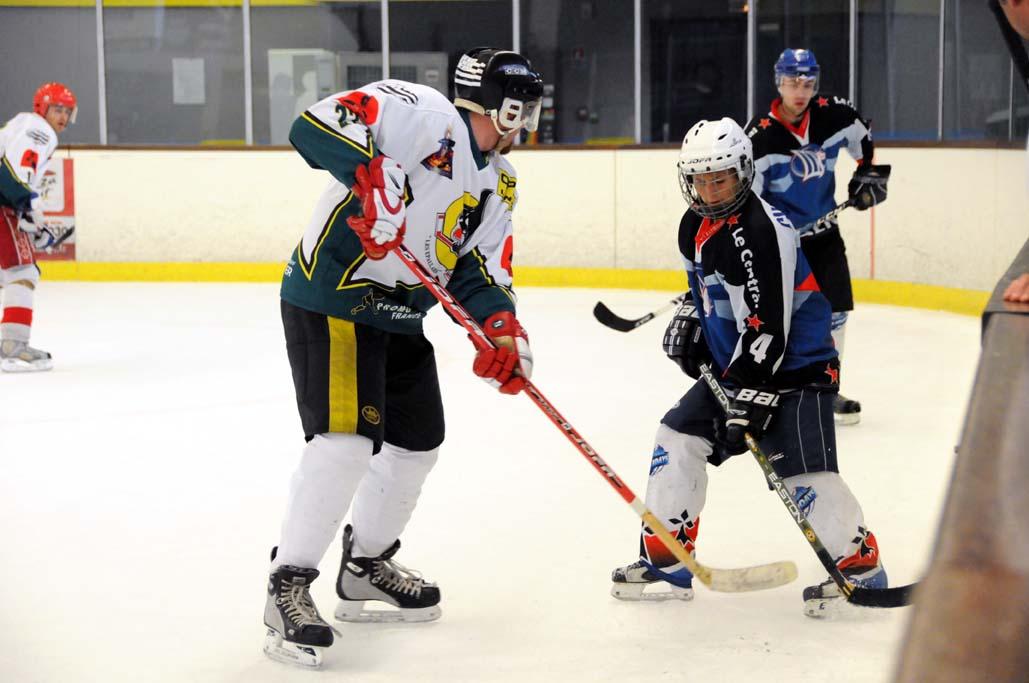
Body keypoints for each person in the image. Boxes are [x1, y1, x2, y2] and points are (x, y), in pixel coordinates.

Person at [263, 47, 543, 668]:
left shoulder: (499, 181)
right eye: (521, 114)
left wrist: (499, 328)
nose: (524, 128)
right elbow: (312, 125)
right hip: (334, 295)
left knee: (418, 443)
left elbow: (476, 265)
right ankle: (288, 582)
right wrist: (369, 173)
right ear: (508, 106)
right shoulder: (424, 114)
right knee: (344, 443)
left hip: (400, 314)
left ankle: (365, 563)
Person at [610, 117, 888, 617]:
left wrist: (746, 392)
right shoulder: (693, 224)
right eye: (700, 179)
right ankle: (669, 561)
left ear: (742, 173)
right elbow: (705, 289)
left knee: (804, 472)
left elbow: (769, 327)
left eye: (721, 178)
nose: (710, 190)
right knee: (677, 438)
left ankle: (858, 565)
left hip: (798, 367)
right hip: (741, 366)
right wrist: (694, 320)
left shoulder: (765, 231)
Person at [745, 49, 889, 426]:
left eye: (807, 83)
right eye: (793, 82)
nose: (800, 90)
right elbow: (749, 201)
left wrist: (867, 177)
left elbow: (863, 138)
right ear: (779, 82)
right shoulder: (758, 137)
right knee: (781, 317)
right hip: (781, 245)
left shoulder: (834, 115)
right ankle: (774, 387)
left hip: (824, 234)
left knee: (837, 310)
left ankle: (828, 387)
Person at [0, 82, 76, 373]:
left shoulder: (20, 123)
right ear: (42, 106)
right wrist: (27, 204)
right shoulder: (39, 130)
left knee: (4, 272)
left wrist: (28, 209)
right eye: (58, 109)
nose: (63, 117)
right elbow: (14, 172)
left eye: (68, 112)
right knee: (22, 270)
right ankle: (13, 347)